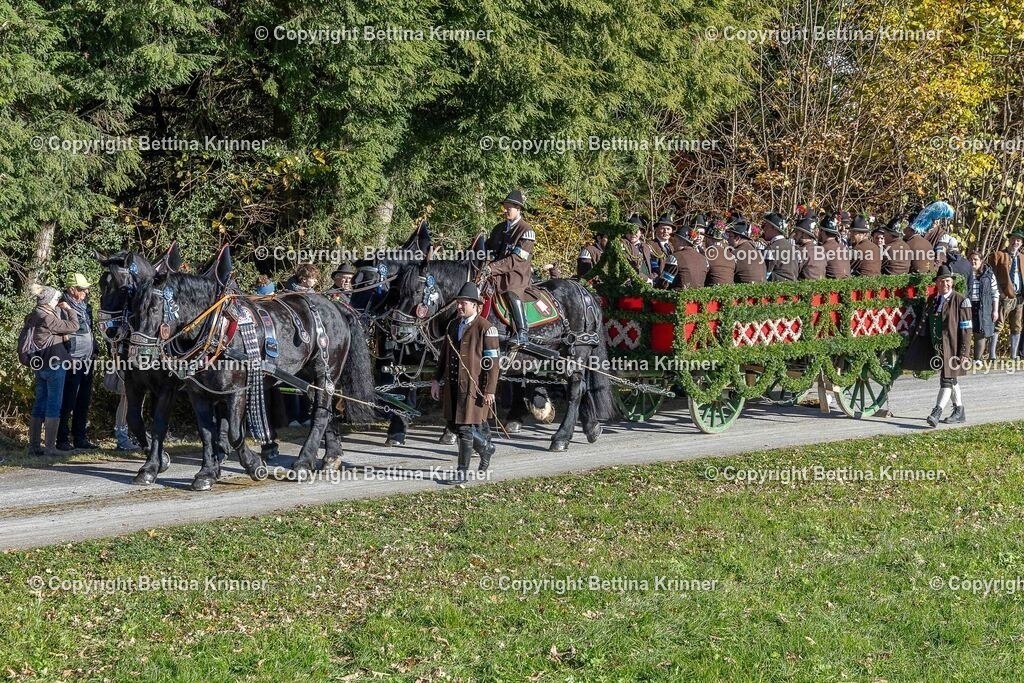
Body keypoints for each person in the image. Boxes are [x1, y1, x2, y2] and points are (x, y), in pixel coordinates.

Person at [431, 282, 500, 481]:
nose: (459, 306)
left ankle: (461, 474)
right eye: (458, 303)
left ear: (475, 305)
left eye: (463, 303)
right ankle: (486, 448)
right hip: (453, 386)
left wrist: (489, 390)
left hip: (473, 387)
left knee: (464, 430)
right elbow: (443, 355)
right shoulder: (453, 325)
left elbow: (492, 363)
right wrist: (436, 380)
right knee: (454, 425)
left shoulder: (486, 328)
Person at [23, 285, 80, 456]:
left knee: (40, 401)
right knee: (54, 403)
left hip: (40, 364)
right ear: (48, 302)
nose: (58, 301)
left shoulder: (33, 315)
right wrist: (70, 310)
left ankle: (33, 446)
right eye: (56, 299)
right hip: (54, 365)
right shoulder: (48, 318)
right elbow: (73, 325)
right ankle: (49, 448)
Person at [911, 266, 971, 426]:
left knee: (946, 380)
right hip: (937, 347)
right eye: (941, 281)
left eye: (948, 281)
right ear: (936, 283)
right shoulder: (932, 300)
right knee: (952, 379)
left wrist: (964, 352)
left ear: (952, 282)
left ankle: (936, 412)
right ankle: (959, 410)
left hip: (953, 348)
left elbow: (966, 329)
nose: (945, 284)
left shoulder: (961, 301)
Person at [484, 189, 535, 347]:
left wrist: (492, 267)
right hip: (495, 272)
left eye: (509, 207)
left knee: (512, 292)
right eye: (504, 207)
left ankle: (522, 331)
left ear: (518, 209)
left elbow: (517, 259)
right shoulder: (498, 228)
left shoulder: (527, 231)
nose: (505, 210)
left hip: (516, 275)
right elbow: (487, 248)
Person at [56, 273, 99, 451]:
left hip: (88, 359)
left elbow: (90, 330)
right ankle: (62, 439)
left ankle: (80, 437)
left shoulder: (86, 307)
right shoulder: (61, 307)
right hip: (72, 360)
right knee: (68, 400)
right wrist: (67, 357)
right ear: (72, 289)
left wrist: (95, 350)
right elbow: (58, 335)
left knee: (83, 400)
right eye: (82, 289)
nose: (86, 291)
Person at [989, 229, 1024, 358]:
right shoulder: (998, 255)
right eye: (1014, 239)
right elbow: (991, 276)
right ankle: (992, 355)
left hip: (1019, 297)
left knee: (1016, 326)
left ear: (1021, 243)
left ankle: (1014, 355)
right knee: (998, 325)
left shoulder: (1022, 258)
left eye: (1018, 240)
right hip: (1004, 297)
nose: (1016, 242)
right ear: (1009, 240)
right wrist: (999, 293)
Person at [968, 250, 999, 362]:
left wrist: (995, 310)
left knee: (980, 333)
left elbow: (995, 293)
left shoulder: (989, 274)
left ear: (981, 261)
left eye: (975, 259)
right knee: (966, 332)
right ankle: (964, 358)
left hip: (983, 306)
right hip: (967, 306)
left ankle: (977, 359)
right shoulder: (965, 274)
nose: (973, 261)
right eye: (971, 259)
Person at [762, 213, 800, 282]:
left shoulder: (771, 249)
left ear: (773, 228)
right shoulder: (792, 248)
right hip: (794, 288)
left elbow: (764, 276)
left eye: (766, 226)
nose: (764, 229)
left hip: (778, 289)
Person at [726, 219, 766, 283]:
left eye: (730, 236)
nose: (727, 239)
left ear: (737, 238)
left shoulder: (735, 254)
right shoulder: (758, 253)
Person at [704, 220, 736, 285]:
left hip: (712, 292)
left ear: (708, 239)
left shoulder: (706, 254)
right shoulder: (730, 255)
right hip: (732, 291)